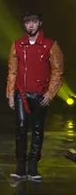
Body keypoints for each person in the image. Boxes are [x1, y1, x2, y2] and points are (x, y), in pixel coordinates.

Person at [6, 10, 64, 181]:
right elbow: (12, 71)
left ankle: (33, 167)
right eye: (27, 22)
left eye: (34, 22)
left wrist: (50, 93)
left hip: (40, 95)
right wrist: (10, 93)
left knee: (37, 130)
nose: (30, 25)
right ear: (24, 25)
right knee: (21, 128)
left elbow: (58, 70)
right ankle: (20, 167)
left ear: (40, 23)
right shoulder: (17, 45)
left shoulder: (50, 45)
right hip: (21, 93)